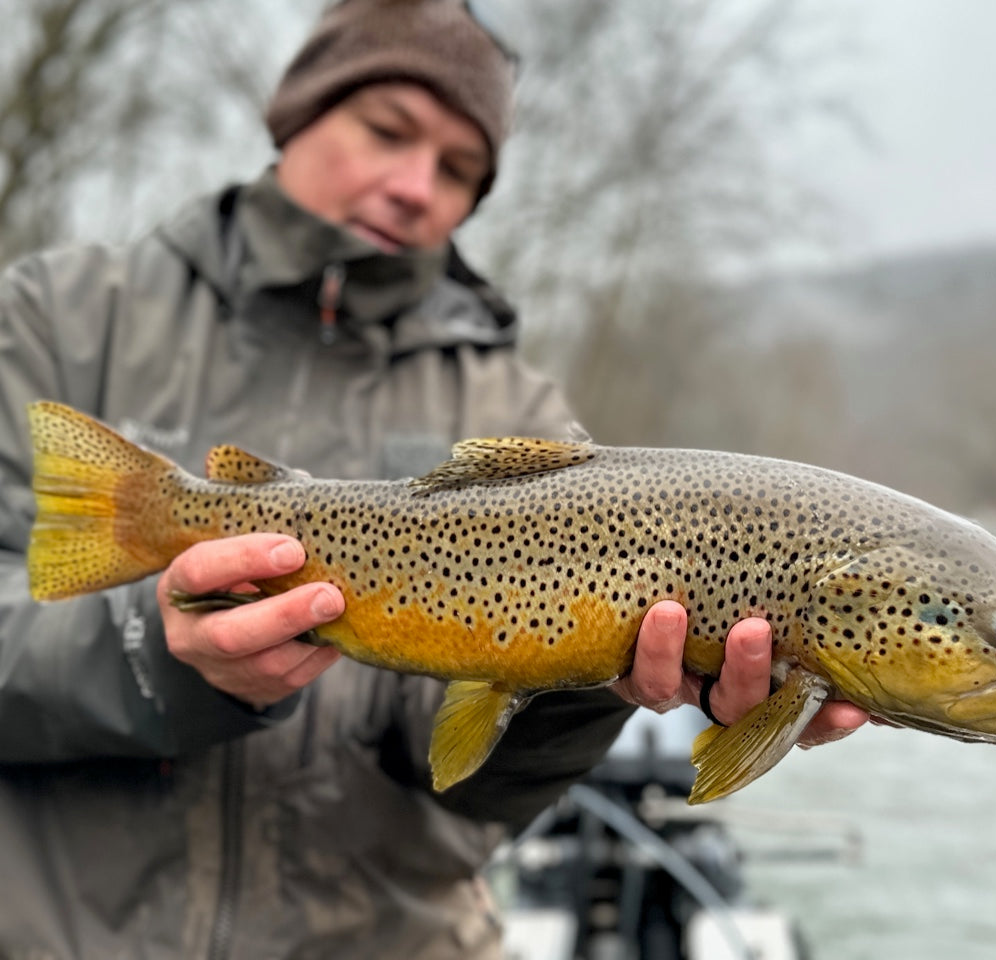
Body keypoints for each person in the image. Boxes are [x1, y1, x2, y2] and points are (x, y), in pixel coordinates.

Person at [0, 1, 867, 957]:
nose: (416, 186)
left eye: (459, 170)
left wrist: (588, 678)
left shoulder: (519, 410)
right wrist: (152, 651)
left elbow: (453, 773)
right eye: (387, 131)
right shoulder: (56, 320)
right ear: (296, 114)